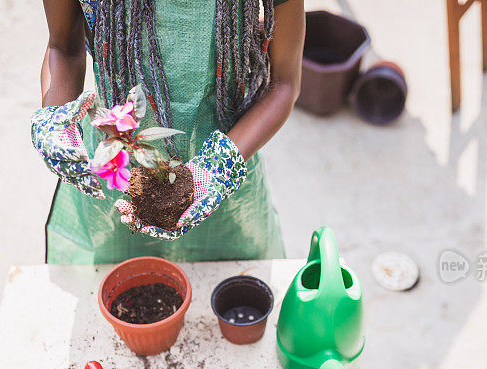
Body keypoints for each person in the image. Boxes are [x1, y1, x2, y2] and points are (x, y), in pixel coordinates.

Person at [33, 0, 305, 263]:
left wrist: (218, 166)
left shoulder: (220, 168)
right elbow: (63, 47)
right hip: (117, 170)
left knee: (232, 283)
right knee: (114, 279)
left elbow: (283, 84)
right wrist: (55, 119)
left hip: (226, 167)